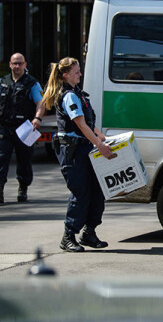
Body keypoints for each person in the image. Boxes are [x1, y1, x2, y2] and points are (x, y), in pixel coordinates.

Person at [41, 57, 114, 252]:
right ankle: (68, 236)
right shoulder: (68, 96)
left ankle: (89, 232)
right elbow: (80, 125)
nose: (80, 74)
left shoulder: (77, 94)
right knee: (80, 192)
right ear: (65, 75)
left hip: (84, 147)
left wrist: (101, 137)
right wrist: (99, 144)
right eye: (76, 72)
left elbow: (88, 124)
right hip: (72, 150)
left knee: (97, 190)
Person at [0, 53, 45, 204]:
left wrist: (37, 118)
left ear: (25, 64)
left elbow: (41, 103)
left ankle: (23, 188)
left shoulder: (32, 83)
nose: (17, 66)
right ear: (10, 64)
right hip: (4, 126)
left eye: (20, 63)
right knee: (1, 157)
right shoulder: (3, 81)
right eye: (14, 63)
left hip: (24, 128)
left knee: (24, 159)